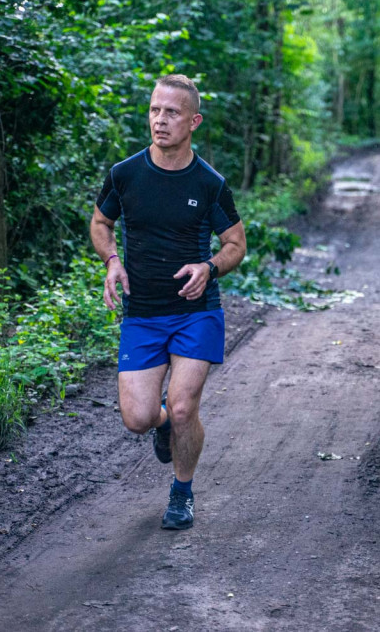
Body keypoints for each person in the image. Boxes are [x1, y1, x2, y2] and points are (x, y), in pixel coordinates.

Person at [89, 74, 247, 531]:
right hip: (142, 312)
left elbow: (235, 243)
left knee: (183, 406)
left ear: (193, 121)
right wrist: (112, 260)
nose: (160, 120)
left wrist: (209, 268)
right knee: (139, 417)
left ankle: (182, 492)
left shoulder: (210, 183)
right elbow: (101, 223)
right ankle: (163, 427)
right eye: (155, 110)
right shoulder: (125, 174)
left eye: (172, 112)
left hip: (196, 311)